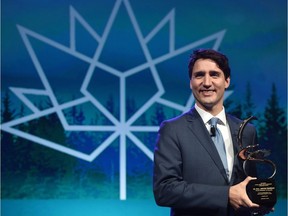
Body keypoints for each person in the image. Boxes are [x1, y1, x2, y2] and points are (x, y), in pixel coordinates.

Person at [153, 49, 273, 216]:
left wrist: (259, 200)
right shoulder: (172, 129)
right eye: (199, 75)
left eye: (215, 74)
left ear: (227, 81)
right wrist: (226, 195)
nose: (207, 82)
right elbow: (164, 190)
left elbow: (247, 185)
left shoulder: (246, 131)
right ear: (191, 82)